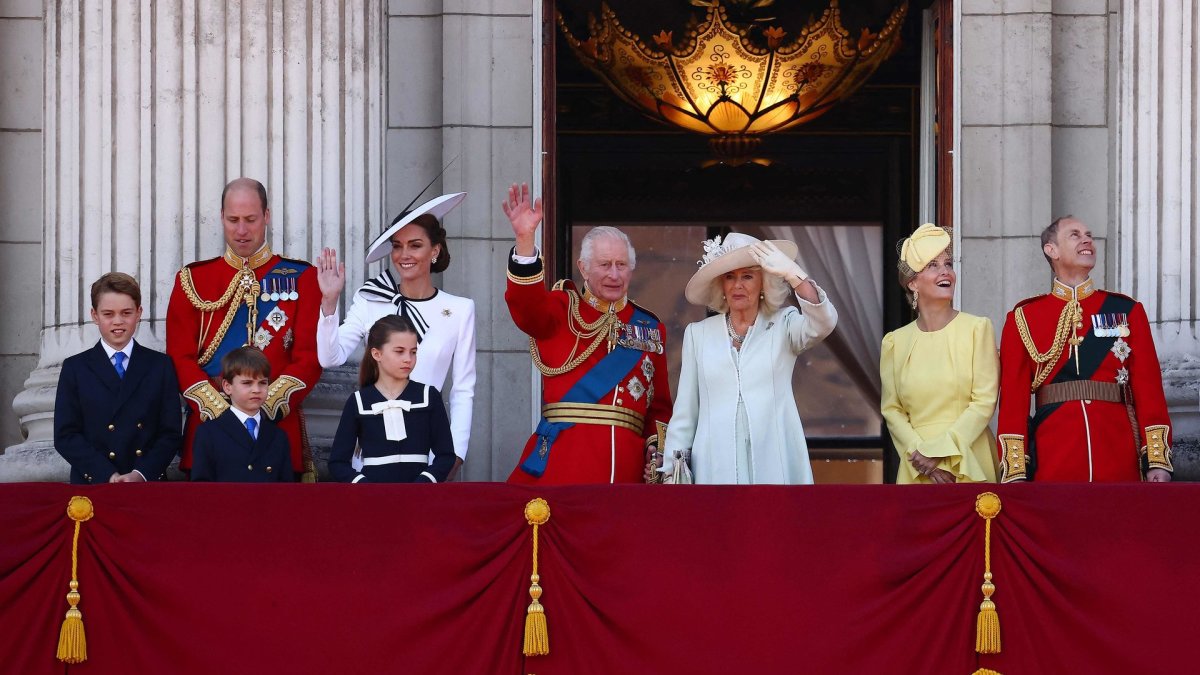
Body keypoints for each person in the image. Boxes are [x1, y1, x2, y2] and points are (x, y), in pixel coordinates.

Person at [501, 182, 673, 484]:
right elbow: (526, 308)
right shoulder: (561, 308)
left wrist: (655, 453)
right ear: (583, 267)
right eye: (605, 264)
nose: (615, 274)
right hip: (563, 466)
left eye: (622, 265)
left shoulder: (649, 328)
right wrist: (525, 240)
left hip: (626, 472)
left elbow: (659, 407)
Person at [166, 178, 323, 480]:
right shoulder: (193, 279)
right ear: (221, 217)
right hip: (210, 432)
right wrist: (222, 411)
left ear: (266, 216)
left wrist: (265, 404)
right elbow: (178, 356)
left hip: (276, 431)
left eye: (250, 220)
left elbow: (309, 357)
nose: (241, 231)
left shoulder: (303, 278)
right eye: (233, 220)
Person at [997, 215, 1173, 482]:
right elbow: (1013, 401)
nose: (1087, 239)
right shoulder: (1024, 317)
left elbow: (1149, 390)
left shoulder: (1126, 310)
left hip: (1118, 452)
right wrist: (1016, 471)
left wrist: (1157, 461)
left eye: (1089, 234)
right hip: (1055, 458)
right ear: (1051, 250)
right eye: (1075, 235)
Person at [654, 233, 837, 484]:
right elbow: (686, 412)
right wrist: (673, 474)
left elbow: (823, 322)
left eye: (747, 276)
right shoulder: (698, 334)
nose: (737, 285)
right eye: (730, 277)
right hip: (714, 467)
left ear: (764, 283)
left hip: (775, 463)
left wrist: (793, 274)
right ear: (721, 285)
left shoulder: (784, 325)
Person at [315, 192, 475, 479]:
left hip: (428, 453)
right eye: (397, 246)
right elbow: (330, 357)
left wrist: (455, 455)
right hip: (372, 454)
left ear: (434, 250)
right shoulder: (370, 299)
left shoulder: (460, 310)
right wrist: (329, 303)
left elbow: (462, 389)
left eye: (415, 245)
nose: (404, 255)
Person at [880, 224, 999, 484]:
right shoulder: (895, 343)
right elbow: (892, 410)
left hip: (968, 457)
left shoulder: (977, 328)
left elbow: (984, 401)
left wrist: (940, 452)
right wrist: (922, 458)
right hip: (917, 466)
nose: (946, 271)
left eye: (948, 263)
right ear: (913, 282)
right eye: (933, 265)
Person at [53, 273, 183, 484]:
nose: (118, 322)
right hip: (94, 483)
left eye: (126, 313)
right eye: (108, 314)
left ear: (139, 313)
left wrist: (141, 474)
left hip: (147, 485)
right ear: (95, 315)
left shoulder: (160, 365)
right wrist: (107, 474)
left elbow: (170, 433)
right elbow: (66, 435)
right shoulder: (75, 368)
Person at [327, 315, 456, 483]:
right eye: (399, 351)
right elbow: (337, 462)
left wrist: (424, 483)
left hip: (420, 500)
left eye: (413, 352)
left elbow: (446, 456)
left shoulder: (428, 396)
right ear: (376, 354)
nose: (408, 359)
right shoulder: (358, 401)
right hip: (374, 501)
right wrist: (364, 486)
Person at [191, 347, 293, 482]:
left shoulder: (278, 436)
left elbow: (285, 490)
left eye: (263, 383)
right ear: (227, 387)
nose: (256, 390)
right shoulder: (209, 433)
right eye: (247, 383)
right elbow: (201, 488)